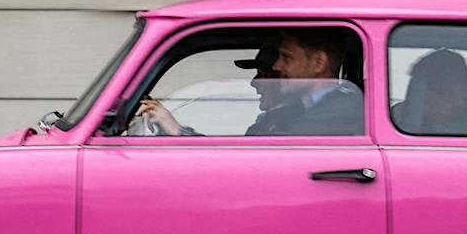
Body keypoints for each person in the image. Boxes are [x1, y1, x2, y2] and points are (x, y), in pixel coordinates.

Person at [135, 29, 364, 137]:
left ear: (318, 63)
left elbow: (267, 157)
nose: (277, 68)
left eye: (287, 58)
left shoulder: (342, 110)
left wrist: (179, 132)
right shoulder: (294, 111)